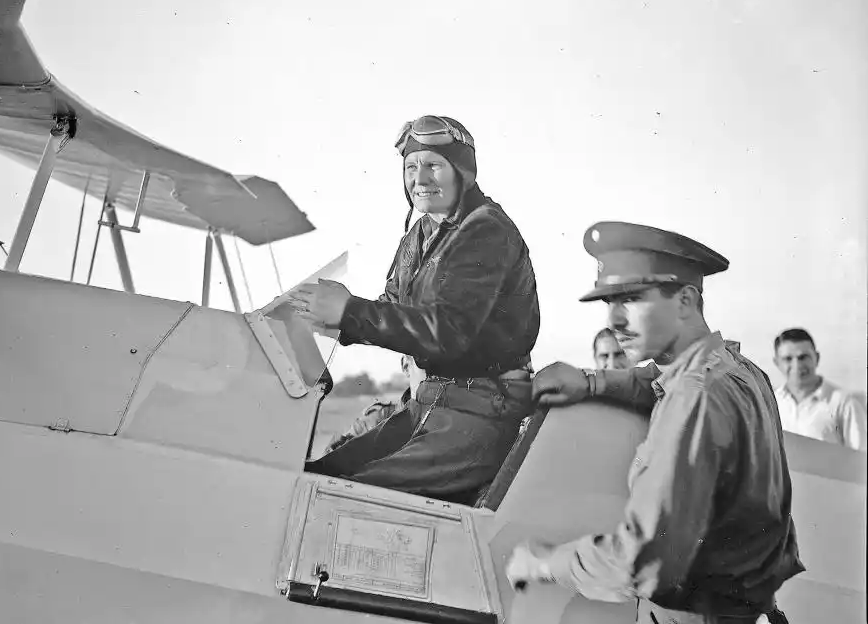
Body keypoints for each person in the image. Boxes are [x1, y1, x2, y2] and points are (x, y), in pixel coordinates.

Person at [506, 221, 801, 624]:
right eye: (609, 301)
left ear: (684, 300)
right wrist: (593, 381)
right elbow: (658, 381)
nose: (614, 319)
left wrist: (545, 562)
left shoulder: (695, 399)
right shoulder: (739, 370)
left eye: (631, 298)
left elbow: (642, 559)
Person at [291, 114, 540, 504]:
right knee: (318, 475)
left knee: (342, 496)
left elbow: (449, 330)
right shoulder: (418, 235)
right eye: (411, 166)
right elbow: (394, 306)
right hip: (430, 400)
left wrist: (350, 312)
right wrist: (326, 318)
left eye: (433, 165)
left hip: (480, 411)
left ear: (463, 172)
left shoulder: (486, 229)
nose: (419, 179)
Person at [772, 328, 866, 451]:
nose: (797, 365)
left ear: (817, 358)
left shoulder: (844, 404)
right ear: (777, 363)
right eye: (788, 359)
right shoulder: (770, 403)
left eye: (803, 357)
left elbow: (861, 461)